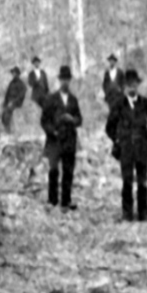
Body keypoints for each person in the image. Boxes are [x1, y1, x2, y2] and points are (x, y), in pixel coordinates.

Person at [105, 68, 147, 221]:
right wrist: (117, 140)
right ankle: (127, 214)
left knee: (142, 183)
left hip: (142, 148)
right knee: (127, 182)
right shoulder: (119, 104)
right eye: (129, 85)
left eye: (134, 84)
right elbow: (109, 127)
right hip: (126, 149)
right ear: (124, 86)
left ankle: (143, 214)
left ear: (138, 85)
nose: (132, 87)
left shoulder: (145, 103)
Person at [40, 65, 83, 210]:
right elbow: (44, 120)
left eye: (67, 79)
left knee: (68, 171)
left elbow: (80, 119)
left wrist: (73, 120)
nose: (65, 82)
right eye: (63, 79)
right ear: (59, 80)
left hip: (70, 139)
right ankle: (52, 200)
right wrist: (53, 131)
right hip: (55, 140)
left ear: (70, 81)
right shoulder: (51, 99)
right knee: (53, 170)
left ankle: (66, 201)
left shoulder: (73, 100)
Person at [1, 66, 26, 133]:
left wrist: (13, 102)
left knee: (7, 112)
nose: (13, 74)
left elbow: (21, 95)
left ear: (18, 74)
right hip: (9, 102)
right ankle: (6, 129)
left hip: (16, 103)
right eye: (13, 73)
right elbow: (7, 94)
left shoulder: (21, 84)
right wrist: (5, 103)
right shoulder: (11, 83)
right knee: (3, 114)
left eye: (14, 73)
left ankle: (8, 131)